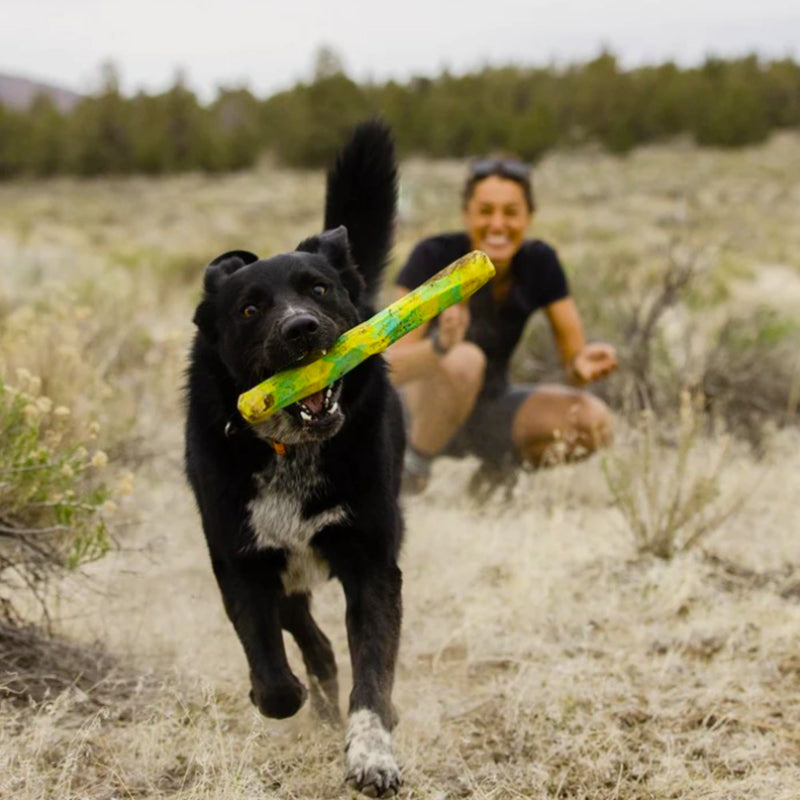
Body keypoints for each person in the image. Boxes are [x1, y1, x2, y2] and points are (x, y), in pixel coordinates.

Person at [385, 157, 618, 494]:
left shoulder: (539, 262)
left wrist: (582, 366)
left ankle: (495, 474)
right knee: (465, 360)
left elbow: (574, 364)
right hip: (419, 409)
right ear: (466, 214)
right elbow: (390, 368)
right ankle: (412, 470)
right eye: (485, 211)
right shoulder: (434, 257)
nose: (498, 224)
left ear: (528, 218)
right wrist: (440, 347)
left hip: (490, 407)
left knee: (593, 421)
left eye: (511, 212)